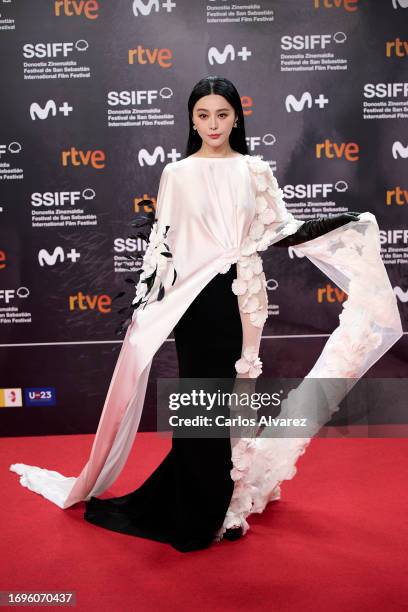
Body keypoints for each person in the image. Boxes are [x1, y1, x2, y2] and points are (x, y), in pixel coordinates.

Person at [10, 76, 402, 553]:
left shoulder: (254, 171)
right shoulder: (176, 174)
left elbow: (282, 230)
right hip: (195, 301)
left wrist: (347, 223)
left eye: (221, 114)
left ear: (236, 116)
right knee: (202, 403)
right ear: (191, 120)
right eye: (203, 115)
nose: (213, 124)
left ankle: (230, 503)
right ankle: (201, 509)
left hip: (245, 300)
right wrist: (149, 307)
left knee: (235, 398)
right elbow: (164, 249)